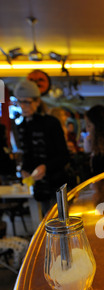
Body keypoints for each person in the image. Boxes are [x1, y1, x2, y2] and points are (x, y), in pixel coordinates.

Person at [14, 79, 70, 215]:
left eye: (26, 102)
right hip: (39, 186)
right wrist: (25, 170)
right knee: (45, 222)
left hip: (57, 184)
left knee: (60, 221)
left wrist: (46, 167)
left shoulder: (51, 123)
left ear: (37, 102)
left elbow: (64, 156)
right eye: (19, 101)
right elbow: (27, 155)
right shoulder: (22, 126)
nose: (22, 106)